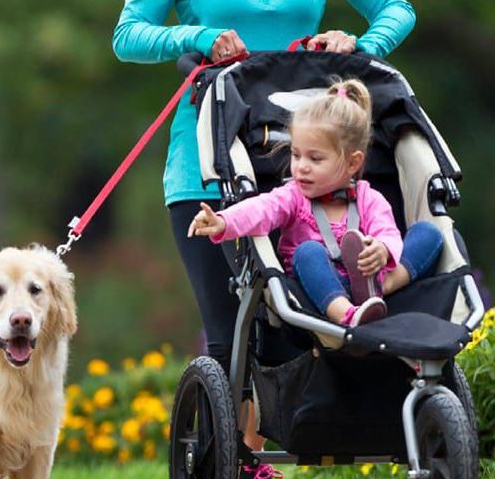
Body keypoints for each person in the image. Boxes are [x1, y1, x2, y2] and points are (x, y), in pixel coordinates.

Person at [112, 0, 417, 479]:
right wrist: (199, 33)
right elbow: (129, 34)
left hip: (304, 163)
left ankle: (268, 439)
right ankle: (241, 468)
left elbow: (396, 10)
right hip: (206, 163)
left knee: (288, 324)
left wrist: (357, 45)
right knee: (230, 333)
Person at [188, 79, 444, 327]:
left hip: (370, 276)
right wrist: (223, 221)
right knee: (307, 252)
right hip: (317, 285)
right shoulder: (293, 196)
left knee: (429, 233)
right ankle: (346, 313)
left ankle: (382, 288)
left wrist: (382, 250)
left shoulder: (369, 198)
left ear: (353, 163)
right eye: (296, 155)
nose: (301, 167)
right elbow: (260, 209)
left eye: (315, 159)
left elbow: (386, 230)